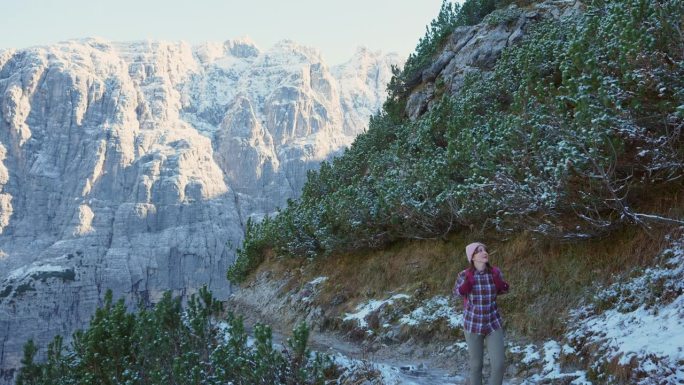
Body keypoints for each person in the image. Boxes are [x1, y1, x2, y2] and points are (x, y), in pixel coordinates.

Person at [453, 242, 510, 385]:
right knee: (476, 365)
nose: (484, 252)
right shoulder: (464, 275)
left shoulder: (495, 272)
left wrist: (501, 284)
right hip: (472, 324)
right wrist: (466, 285)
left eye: (485, 250)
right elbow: (456, 293)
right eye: (479, 251)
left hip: (493, 323)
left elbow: (504, 290)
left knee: (499, 365)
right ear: (472, 257)